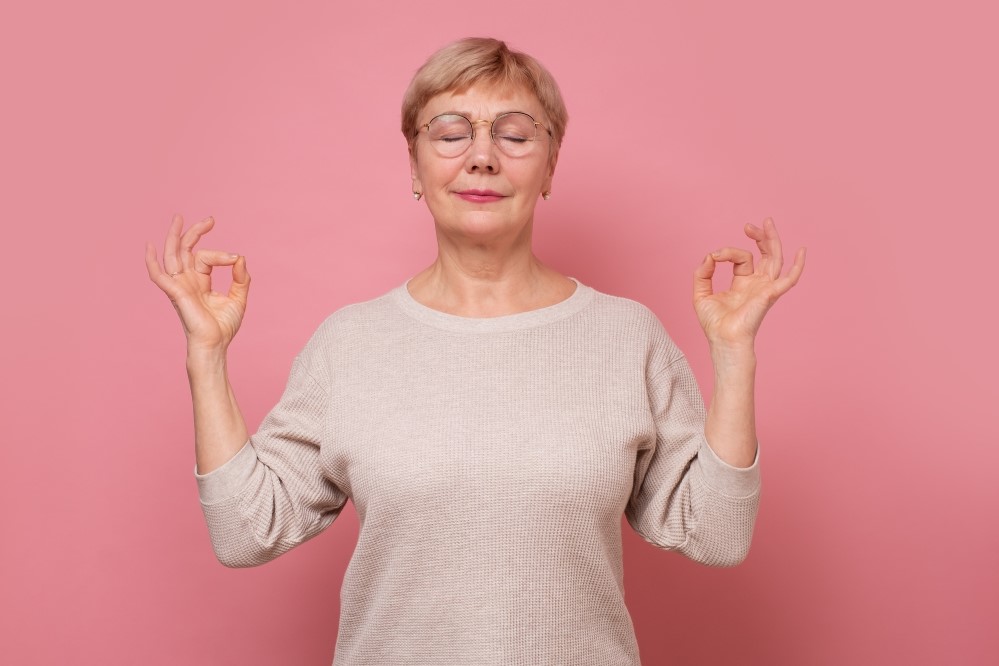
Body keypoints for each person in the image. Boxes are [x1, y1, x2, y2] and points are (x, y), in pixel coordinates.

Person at [146, 37, 804, 665]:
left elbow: (716, 535)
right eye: (451, 133)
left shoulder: (625, 337)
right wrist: (205, 357)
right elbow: (243, 531)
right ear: (414, 164)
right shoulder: (349, 343)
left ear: (549, 164)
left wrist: (733, 353)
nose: (482, 156)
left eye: (514, 134)